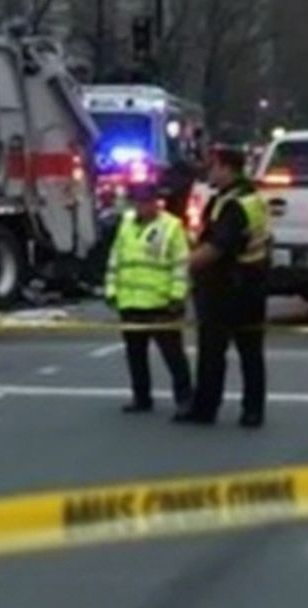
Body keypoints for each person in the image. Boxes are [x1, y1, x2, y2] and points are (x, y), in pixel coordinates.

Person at [176, 146, 271, 428]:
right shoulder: (245, 198)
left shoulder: (234, 204)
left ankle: (205, 408)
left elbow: (217, 247)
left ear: (227, 168)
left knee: (213, 351)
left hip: (228, 286)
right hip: (250, 284)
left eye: (213, 166)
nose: (209, 171)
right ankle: (252, 410)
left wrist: (182, 266)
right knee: (251, 352)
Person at [105, 183, 193, 415]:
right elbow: (116, 258)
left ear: (157, 201)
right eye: (140, 202)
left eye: (148, 201)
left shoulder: (171, 226)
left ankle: (185, 399)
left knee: (173, 355)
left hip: (160, 303)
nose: (144, 206)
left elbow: (180, 265)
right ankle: (141, 397)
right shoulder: (126, 224)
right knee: (135, 355)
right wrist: (111, 290)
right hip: (130, 301)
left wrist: (176, 296)